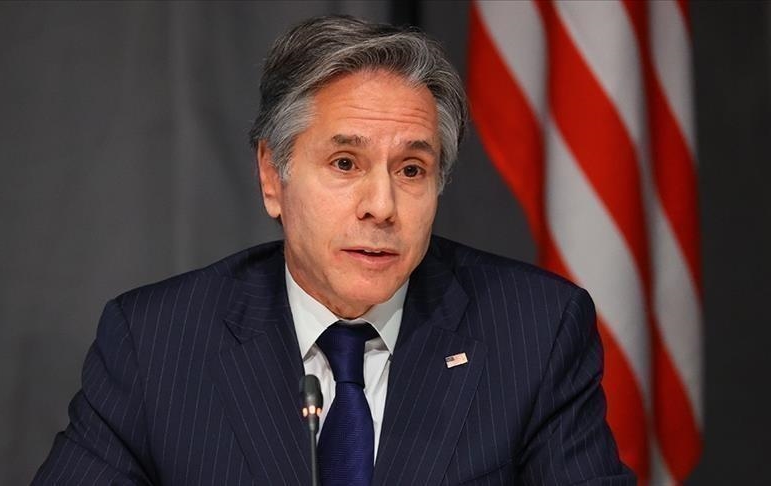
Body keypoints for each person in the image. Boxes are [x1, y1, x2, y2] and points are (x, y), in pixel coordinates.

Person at [33, 15, 634, 485]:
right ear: (273, 176)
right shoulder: (156, 342)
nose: (382, 206)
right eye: (345, 163)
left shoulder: (534, 331)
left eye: (412, 169)